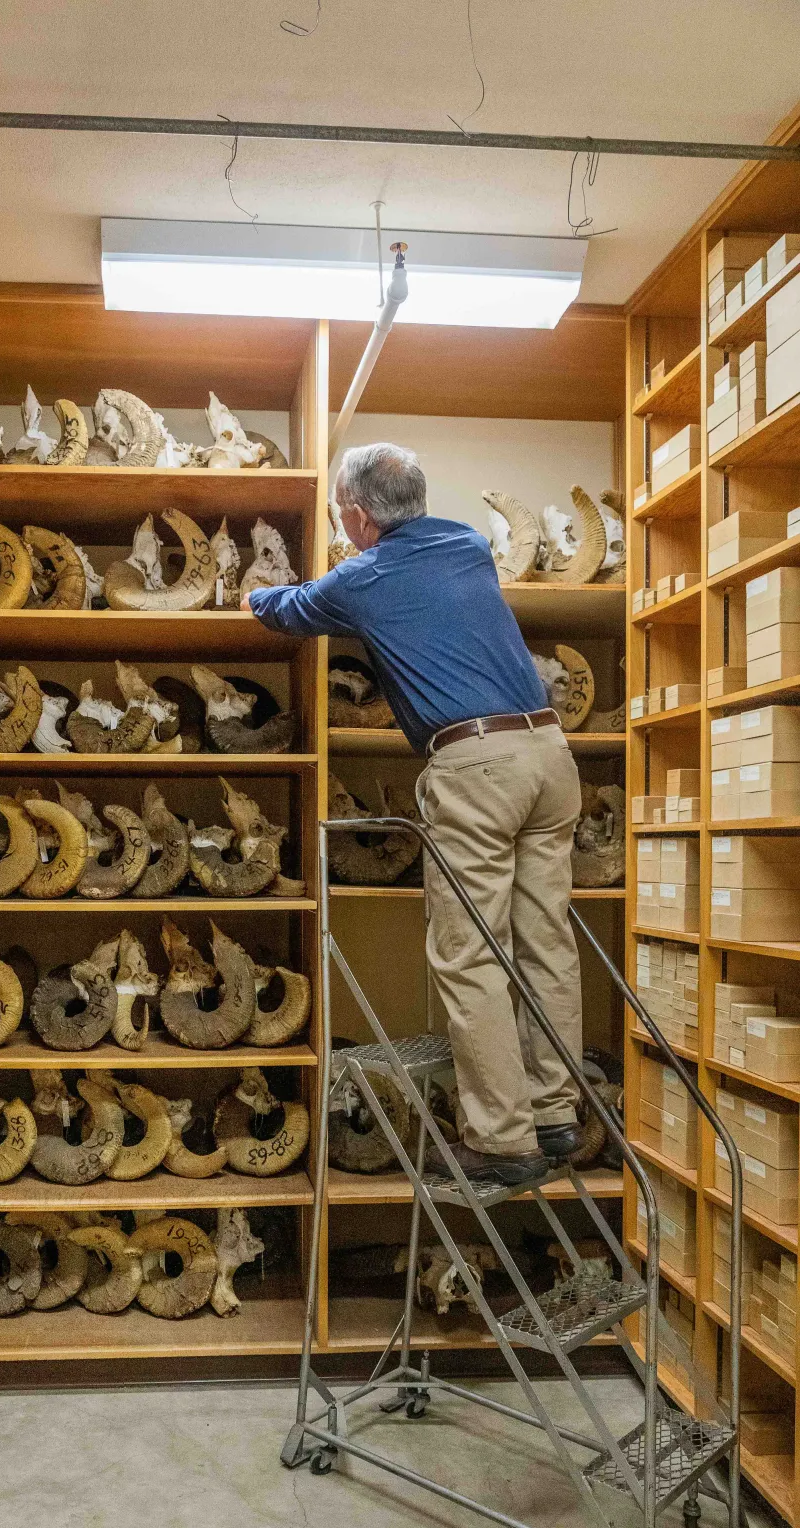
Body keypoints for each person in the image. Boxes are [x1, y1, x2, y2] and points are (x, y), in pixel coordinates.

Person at [242, 441, 584, 1188]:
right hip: (551, 757)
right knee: (546, 942)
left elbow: (290, 610)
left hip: (478, 767)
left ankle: (502, 1141)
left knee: (471, 954)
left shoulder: (366, 576)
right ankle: (556, 1113)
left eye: (342, 515)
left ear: (359, 517)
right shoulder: (465, 544)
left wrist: (248, 598)